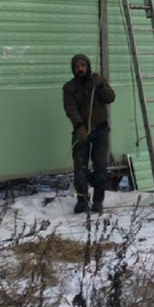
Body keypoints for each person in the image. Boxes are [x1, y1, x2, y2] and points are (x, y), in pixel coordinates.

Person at [63, 53, 116, 214]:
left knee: (100, 167)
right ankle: (82, 200)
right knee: (80, 167)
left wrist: (101, 86)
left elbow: (110, 98)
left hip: (100, 131)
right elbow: (70, 109)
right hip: (82, 132)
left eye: (82, 65)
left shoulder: (97, 81)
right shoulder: (69, 87)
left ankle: (98, 201)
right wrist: (79, 126)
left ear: (87, 66)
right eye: (76, 67)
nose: (80, 69)